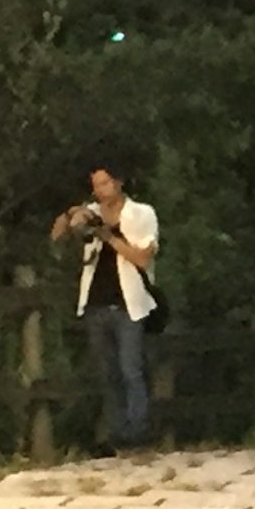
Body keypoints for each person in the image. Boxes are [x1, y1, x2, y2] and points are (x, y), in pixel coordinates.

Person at [49, 161, 158, 451]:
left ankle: (138, 431)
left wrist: (107, 236)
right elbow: (57, 236)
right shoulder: (92, 213)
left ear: (119, 182)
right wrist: (72, 213)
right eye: (96, 185)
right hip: (96, 303)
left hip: (128, 303)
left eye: (105, 183)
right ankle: (117, 433)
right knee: (108, 373)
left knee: (130, 369)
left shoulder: (141, 213)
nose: (100, 190)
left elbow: (143, 258)